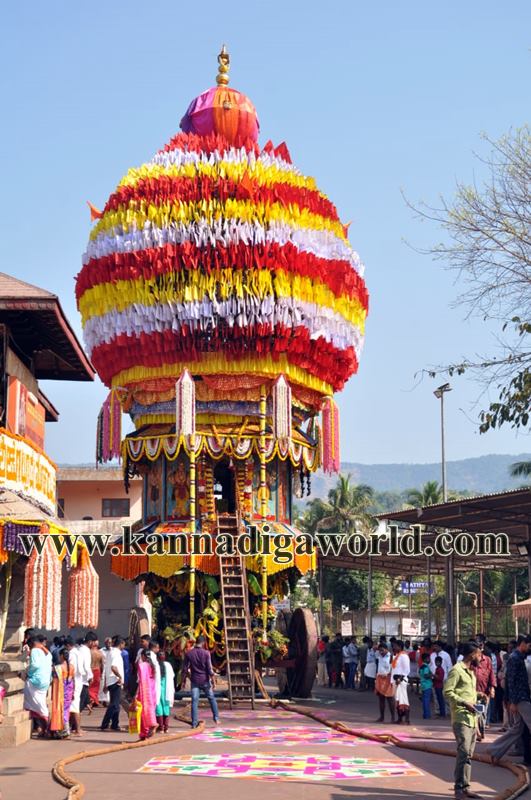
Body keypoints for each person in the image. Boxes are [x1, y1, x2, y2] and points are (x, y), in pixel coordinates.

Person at [444, 641, 485, 800]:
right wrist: (464, 702)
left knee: (468, 754)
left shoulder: (471, 672)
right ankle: (458, 788)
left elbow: (468, 692)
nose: (481, 658)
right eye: (479, 654)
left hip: (472, 718)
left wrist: (479, 695)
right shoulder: (457, 670)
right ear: (472, 655)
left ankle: (466, 786)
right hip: (461, 717)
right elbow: (448, 692)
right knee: (463, 752)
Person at [488, 634, 531, 766]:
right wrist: (512, 702)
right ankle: (494, 749)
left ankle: (494, 750)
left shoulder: (518, 657)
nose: (530, 648)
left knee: (517, 729)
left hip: (521, 698)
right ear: (522, 643)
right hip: (520, 699)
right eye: (529, 645)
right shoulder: (514, 658)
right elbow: (511, 682)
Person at [182, 636, 219, 728]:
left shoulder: (189, 653)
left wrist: (183, 681)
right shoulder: (206, 653)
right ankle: (216, 718)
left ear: (196, 642)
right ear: (203, 643)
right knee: (211, 698)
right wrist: (213, 681)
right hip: (205, 680)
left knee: (194, 701)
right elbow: (209, 669)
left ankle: (194, 723)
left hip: (194, 680)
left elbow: (185, 669)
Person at [23, 635, 52, 737]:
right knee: (40, 705)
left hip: (35, 681)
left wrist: (28, 673)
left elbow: (35, 665)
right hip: (45, 682)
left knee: (38, 707)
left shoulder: (35, 650)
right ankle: (43, 730)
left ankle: (49, 729)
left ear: (32, 644)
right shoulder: (47, 652)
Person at [100, 635, 125, 732]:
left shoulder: (110, 652)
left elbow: (107, 668)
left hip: (111, 680)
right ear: (121, 644)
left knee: (116, 705)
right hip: (115, 681)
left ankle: (115, 724)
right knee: (114, 704)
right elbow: (113, 667)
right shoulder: (116, 653)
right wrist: (120, 676)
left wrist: (106, 683)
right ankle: (105, 724)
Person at [49, 647, 74, 738]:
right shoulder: (72, 666)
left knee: (60, 710)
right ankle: (66, 730)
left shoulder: (58, 668)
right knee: (66, 710)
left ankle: (64, 730)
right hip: (69, 690)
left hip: (61, 691)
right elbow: (72, 680)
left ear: (62, 656)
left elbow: (53, 677)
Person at [136, 648, 157, 739]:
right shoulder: (152, 666)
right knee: (149, 708)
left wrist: (136, 694)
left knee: (142, 711)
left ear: (142, 656)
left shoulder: (142, 666)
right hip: (152, 691)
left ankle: (146, 731)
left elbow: (141, 681)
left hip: (144, 691)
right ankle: (147, 730)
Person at [155, 651, 176, 732]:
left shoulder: (155, 665)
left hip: (157, 689)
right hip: (167, 689)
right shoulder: (168, 665)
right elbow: (172, 675)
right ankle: (166, 727)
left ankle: (160, 728)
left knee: (158, 707)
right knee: (166, 707)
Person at [375, 643, 395, 723]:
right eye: (380, 651)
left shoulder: (391, 657)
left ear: (387, 649)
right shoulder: (379, 656)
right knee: (381, 698)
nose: (381, 652)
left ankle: (393, 717)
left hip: (388, 678)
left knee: (390, 698)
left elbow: (393, 668)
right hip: (380, 678)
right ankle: (382, 716)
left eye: (382, 650)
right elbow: (374, 648)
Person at [79, 633, 95, 712]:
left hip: (80, 679)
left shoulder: (79, 649)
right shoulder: (86, 650)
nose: (94, 644)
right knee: (80, 705)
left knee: (83, 701)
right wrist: (90, 676)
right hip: (83, 679)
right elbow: (86, 666)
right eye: (94, 642)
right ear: (90, 642)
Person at [87, 637, 103, 711]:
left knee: (90, 687)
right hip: (97, 670)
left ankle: (90, 700)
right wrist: (102, 673)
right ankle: (93, 700)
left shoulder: (89, 652)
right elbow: (102, 664)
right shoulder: (100, 653)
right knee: (95, 687)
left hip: (91, 669)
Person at [419, 652, 433, 719]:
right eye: (428, 658)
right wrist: (432, 675)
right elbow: (426, 675)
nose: (429, 660)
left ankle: (425, 714)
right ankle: (427, 714)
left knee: (424, 700)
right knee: (427, 700)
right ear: (425, 659)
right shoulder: (426, 667)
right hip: (427, 685)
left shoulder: (421, 666)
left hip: (423, 684)